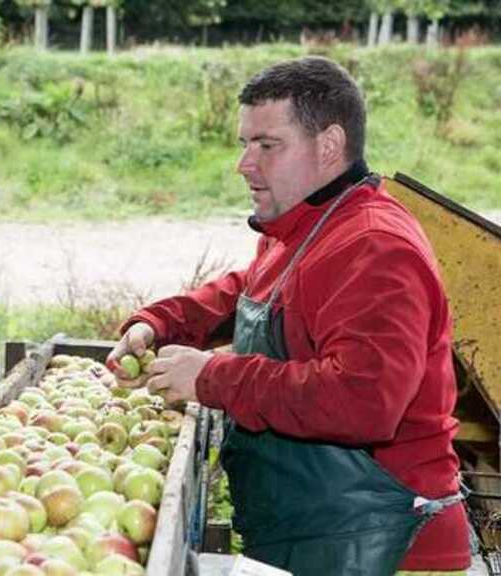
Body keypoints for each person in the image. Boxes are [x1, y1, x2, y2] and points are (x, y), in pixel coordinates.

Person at [106, 56, 470, 576]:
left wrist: (212, 376)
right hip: (314, 536)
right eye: (244, 144)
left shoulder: (375, 246)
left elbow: (364, 400)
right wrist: (160, 322)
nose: (244, 164)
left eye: (267, 146)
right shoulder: (310, 227)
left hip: (385, 550)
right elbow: (247, 292)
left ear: (328, 146)